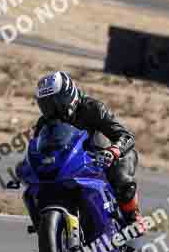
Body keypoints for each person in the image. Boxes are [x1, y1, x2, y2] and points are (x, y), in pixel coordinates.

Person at [33, 71, 146, 235]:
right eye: (47, 105)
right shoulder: (45, 122)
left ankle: (133, 215)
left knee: (121, 178)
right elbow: (37, 148)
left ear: (69, 95)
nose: (53, 110)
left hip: (105, 156)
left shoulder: (93, 108)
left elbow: (125, 136)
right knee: (38, 187)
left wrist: (113, 151)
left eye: (57, 103)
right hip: (73, 163)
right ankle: (48, 227)